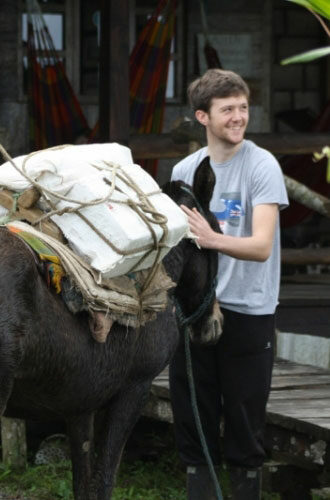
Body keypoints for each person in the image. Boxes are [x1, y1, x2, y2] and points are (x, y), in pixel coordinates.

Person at [168, 68, 288, 500]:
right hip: (197, 309)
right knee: (192, 413)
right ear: (203, 117)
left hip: (248, 309)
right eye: (227, 110)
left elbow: (260, 246)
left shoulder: (262, 165)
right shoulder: (186, 169)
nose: (238, 117)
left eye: (243, 108)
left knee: (243, 417)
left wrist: (212, 237)